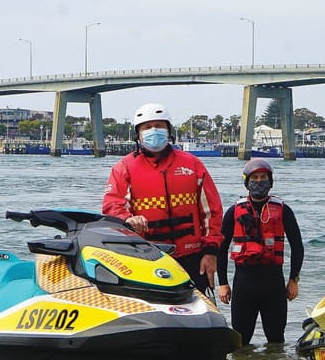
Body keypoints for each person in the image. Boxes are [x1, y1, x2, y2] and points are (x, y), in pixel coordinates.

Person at [102, 103, 224, 295]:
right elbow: (111, 206)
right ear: (138, 134)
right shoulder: (124, 168)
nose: (154, 131)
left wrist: (211, 252)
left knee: (200, 316)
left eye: (159, 126)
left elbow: (212, 212)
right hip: (145, 257)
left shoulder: (192, 164)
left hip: (192, 257)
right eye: (147, 127)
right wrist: (127, 218)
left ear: (168, 130)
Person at [217, 159, 304, 345]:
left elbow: (297, 246)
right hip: (243, 285)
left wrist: (293, 280)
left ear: (270, 181)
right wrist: (223, 283)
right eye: (254, 178)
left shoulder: (283, 210)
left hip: (274, 285)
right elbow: (221, 249)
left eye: (263, 177)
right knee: (240, 342)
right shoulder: (234, 211)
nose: (259, 181)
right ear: (247, 182)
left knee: (276, 342)